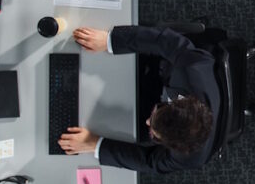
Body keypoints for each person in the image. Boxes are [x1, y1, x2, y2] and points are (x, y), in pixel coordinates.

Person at [57, 25, 218, 174]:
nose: (148, 122)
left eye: (155, 134)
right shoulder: (192, 69)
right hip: (163, 73)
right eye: (155, 116)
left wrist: (95, 144)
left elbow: (150, 161)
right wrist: (109, 40)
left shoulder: (191, 158)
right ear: (176, 103)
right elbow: (166, 42)